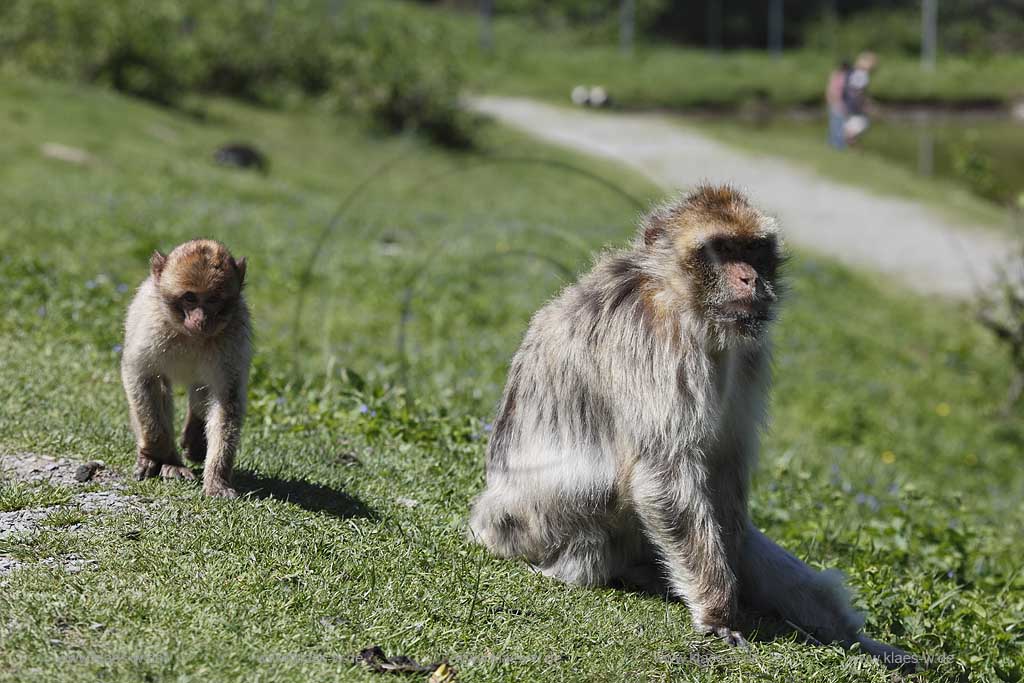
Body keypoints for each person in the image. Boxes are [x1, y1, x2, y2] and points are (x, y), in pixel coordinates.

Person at [842, 52, 878, 145]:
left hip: (849, 102)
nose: (873, 67)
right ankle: (849, 139)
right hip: (855, 104)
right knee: (862, 123)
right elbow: (857, 91)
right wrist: (865, 104)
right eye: (872, 64)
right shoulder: (862, 74)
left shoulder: (853, 71)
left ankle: (849, 141)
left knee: (857, 124)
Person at [825, 59, 852, 149]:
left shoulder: (835, 74)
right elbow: (836, 91)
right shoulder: (844, 76)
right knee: (839, 125)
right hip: (839, 103)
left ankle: (832, 144)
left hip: (834, 102)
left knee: (835, 124)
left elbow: (830, 89)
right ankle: (838, 146)